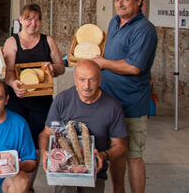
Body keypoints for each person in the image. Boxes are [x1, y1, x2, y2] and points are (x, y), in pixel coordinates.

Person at [91, 0, 157, 193]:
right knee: (116, 151)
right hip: (110, 101)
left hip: (131, 103)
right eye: (117, 0)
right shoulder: (114, 22)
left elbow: (134, 67)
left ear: (139, 1)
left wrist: (102, 63)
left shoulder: (144, 29)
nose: (120, 4)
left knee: (133, 156)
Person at [38, 60, 128, 193]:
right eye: (82, 80)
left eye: (92, 80)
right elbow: (46, 134)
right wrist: (45, 152)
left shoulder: (112, 106)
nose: (87, 85)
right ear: (75, 80)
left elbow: (120, 146)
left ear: (100, 80)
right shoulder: (62, 100)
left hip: (94, 170)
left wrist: (103, 155)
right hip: (65, 169)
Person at [2, 3, 64, 191]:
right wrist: (13, 84)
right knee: (16, 143)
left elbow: (61, 66)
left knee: (37, 145)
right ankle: (14, 185)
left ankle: (28, 186)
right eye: (28, 18)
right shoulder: (12, 42)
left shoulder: (48, 41)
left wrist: (54, 69)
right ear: (20, 20)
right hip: (17, 100)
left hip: (42, 101)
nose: (33, 23)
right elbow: (8, 71)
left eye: (37, 19)